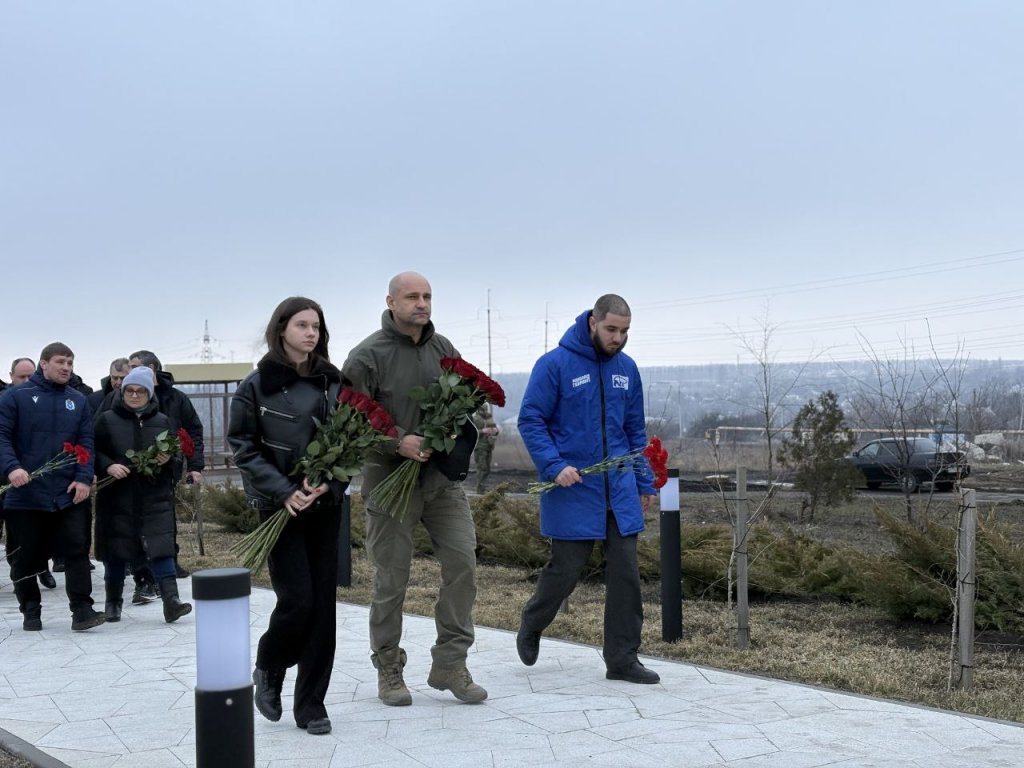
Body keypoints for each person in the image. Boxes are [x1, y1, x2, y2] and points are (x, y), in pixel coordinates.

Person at [342, 271, 487, 707]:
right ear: (390, 301)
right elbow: (350, 422)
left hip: (441, 483)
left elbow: (463, 401)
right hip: (390, 484)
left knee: (463, 564)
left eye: (427, 296)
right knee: (392, 579)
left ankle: (450, 663)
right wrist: (397, 440)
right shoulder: (366, 356)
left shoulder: (444, 349)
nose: (421, 304)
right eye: (412, 297)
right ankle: (388, 666)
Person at [516, 294, 660, 684]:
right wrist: (554, 465)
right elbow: (531, 420)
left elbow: (634, 431)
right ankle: (533, 621)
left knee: (626, 574)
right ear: (593, 323)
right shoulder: (554, 365)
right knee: (566, 571)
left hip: (620, 488)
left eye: (625, 331)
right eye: (612, 329)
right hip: (573, 486)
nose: (619, 338)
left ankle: (622, 659)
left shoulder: (627, 370)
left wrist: (644, 480)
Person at [228, 297, 345, 736]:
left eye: (316, 325)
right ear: (281, 330)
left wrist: (331, 485)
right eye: (302, 325)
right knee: (298, 601)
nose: (311, 333)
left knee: (323, 610)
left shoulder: (334, 383)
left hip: (325, 506)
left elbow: (353, 444)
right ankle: (270, 664)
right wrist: (284, 492)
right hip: (279, 508)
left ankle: (312, 705)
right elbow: (243, 445)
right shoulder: (256, 386)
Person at [0, 342, 105, 632]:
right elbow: (2, 438)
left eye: (70, 363)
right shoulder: (14, 397)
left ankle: (82, 609)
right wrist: (12, 468)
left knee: (76, 549)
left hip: (68, 492)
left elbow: (86, 442)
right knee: (26, 556)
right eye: (60, 362)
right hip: (26, 493)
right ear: (43, 364)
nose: (66, 368)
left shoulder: (77, 400)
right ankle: (31, 610)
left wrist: (84, 477)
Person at [93, 366, 192, 624]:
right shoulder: (106, 419)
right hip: (117, 496)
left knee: (161, 547)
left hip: (154, 495)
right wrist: (108, 466)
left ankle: (171, 601)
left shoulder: (162, 421)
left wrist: (168, 459)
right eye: (130, 390)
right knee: (116, 549)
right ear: (122, 391)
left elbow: (177, 456)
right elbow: (92, 450)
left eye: (140, 391)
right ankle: (113, 603)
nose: (134, 395)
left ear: (149, 394)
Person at [127, 350, 205, 579]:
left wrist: (195, 466)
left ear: (152, 369)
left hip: (167, 468)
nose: (130, 372)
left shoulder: (176, 398)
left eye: (135, 366)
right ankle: (140, 565)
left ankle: (170, 561)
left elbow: (194, 431)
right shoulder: (127, 397)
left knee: (165, 517)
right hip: (133, 469)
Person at [1, 358, 58, 591]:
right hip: (4, 475)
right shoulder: (4, 401)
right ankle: (20, 573)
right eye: (20, 377)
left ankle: (40, 568)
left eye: (29, 376)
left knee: (32, 530)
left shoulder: (42, 401)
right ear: (11, 376)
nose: (25, 381)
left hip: (32, 478)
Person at [471, 404, 499, 493]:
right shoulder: (476, 419)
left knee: (487, 469)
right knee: (482, 468)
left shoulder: (488, 418)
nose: (486, 411)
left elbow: (494, 430)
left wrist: (495, 431)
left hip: (488, 446)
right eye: (484, 409)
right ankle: (480, 489)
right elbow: (471, 432)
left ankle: (482, 487)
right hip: (480, 447)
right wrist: (483, 431)